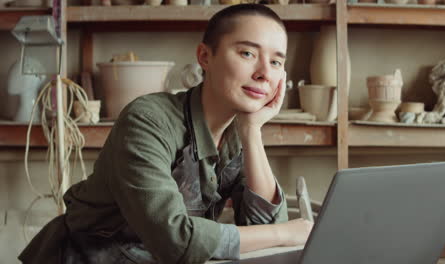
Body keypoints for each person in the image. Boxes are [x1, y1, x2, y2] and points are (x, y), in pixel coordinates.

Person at [18, 4, 313, 264]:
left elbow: (261, 224)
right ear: (205, 57)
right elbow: (175, 240)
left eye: (276, 61)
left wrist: (252, 131)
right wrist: (284, 232)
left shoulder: (239, 129)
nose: (264, 72)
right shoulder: (147, 120)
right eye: (247, 53)